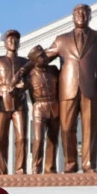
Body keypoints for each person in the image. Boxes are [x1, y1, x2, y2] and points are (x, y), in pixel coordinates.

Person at [42, 4, 97, 173]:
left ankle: (89, 164)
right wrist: (25, 67)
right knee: (66, 128)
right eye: (78, 13)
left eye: (85, 13)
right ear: (72, 17)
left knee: (90, 128)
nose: (81, 15)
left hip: (90, 88)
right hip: (67, 88)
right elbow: (43, 58)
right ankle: (70, 163)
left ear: (90, 16)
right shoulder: (61, 39)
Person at [0, 29, 29, 174]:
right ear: (5, 43)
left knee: (22, 138)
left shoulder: (25, 62)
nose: (13, 42)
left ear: (19, 43)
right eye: (10, 39)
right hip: (2, 102)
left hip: (19, 103)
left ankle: (20, 170)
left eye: (16, 39)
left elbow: (31, 81)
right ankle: (1, 170)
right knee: (1, 138)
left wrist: (22, 86)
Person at [20, 44, 61, 174]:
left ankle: (50, 168)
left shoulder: (53, 70)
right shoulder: (30, 75)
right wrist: (23, 71)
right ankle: (36, 169)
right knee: (38, 139)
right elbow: (18, 86)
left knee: (53, 138)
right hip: (39, 107)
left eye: (44, 54)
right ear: (35, 60)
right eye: (41, 56)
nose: (44, 57)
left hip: (54, 106)